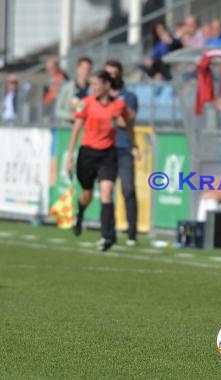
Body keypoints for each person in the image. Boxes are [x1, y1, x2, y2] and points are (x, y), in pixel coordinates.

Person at [66, 70, 130, 251]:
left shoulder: (118, 105)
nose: (93, 88)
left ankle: (106, 236)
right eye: (92, 85)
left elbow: (128, 120)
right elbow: (76, 128)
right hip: (87, 153)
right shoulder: (85, 104)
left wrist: (133, 144)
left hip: (107, 154)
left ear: (107, 85)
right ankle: (80, 214)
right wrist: (70, 157)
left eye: (96, 85)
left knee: (106, 191)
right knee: (87, 193)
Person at [104, 59, 140, 246]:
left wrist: (108, 115)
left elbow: (128, 121)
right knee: (107, 191)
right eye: (107, 74)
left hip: (124, 147)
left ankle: (132, 232)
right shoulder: (99, 97)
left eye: (113, 74)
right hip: (105, 148)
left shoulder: (129, 96)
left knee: (127, 189)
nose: (110, 77)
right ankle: (109, 232)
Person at [55, 56, 93, 123]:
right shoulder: (67, 88)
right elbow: (58, 110)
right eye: (84, 68)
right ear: (78, 68)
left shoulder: (93, 89)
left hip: (87, 127)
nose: (86, 71)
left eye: (88, 69)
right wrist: (70, 116)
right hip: (69, 128)